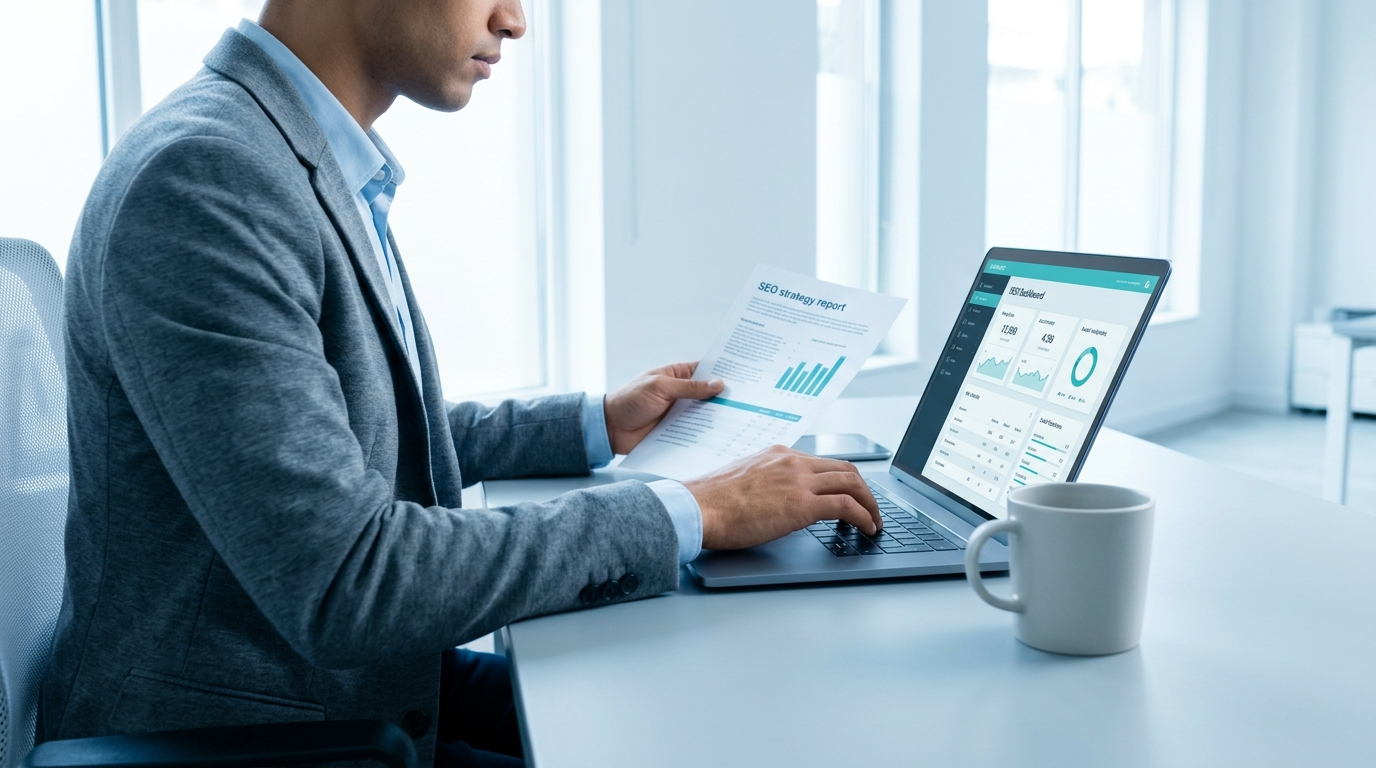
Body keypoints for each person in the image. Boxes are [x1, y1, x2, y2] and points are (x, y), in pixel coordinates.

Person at [39, 1, 881, 766]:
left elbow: (347, 429)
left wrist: (595, 422)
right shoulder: (206, 180)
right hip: (258, 736)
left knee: (695, 716)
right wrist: (695, 512)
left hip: (352, 692)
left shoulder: (285, 153)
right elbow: (351, 582)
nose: (514, 21)